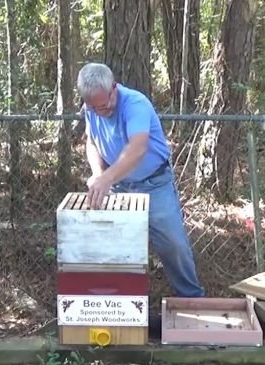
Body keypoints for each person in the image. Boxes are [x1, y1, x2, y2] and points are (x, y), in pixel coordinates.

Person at [76, 62, 205, 298]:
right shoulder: (91, 108)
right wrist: (97, 173)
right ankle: (121, 305)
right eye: (92, 108)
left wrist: (105, 178)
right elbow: (91, 142)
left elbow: (137, 148)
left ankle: (192, 300)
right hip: (116, 186)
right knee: (113, 247)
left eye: (103, 106)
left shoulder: (135, 103)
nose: (99, 112)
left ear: (113, 88)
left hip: (154, 184)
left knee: (174, 245)